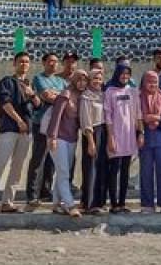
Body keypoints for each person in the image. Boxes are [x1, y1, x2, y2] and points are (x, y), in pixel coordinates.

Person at [0, 52, 39, 216]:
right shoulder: (6, 82)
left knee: (17, 169)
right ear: (15, 63)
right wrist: (18, 121)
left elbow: (38, 104)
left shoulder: (29, 85)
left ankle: (7, 203)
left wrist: (32, 94)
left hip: (26, 132)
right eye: (21, 62)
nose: (24, 64)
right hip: (9, 129)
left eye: (27, 62)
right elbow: (5, 103)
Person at [26, 52, 65, 210]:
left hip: (56, 124)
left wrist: (56, 95)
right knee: (38, 158)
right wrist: (57, 95)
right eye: (50, 61)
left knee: (52, 160)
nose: (53, 64)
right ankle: (32, 195)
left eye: (56, 62)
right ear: (44, 63)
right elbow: (47, 96)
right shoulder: (38, 79)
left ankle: (46, 191)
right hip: (40, 122)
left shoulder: (60, 80)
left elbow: (63, 97)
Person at [47, 69, 88, 218]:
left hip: (72, 139)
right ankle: (70, 204)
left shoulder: (81, 96)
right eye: (79, 79)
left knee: (62, 172)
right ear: (74, 80)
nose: (82, 83)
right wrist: (52, 137)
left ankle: (56, 204)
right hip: (59, 138)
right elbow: (56, 117)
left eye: (85, 80)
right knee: (64, 172)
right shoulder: (65, 94)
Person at [104, 61, 142, 213]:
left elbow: (138, 114)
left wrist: (140, 133)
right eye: (122, 73)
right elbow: (108, 116)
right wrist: (110, 137)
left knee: (125, 171)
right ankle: (113, 204)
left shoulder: (133, 92)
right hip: (116, 135)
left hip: (129, 136)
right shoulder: (110, 91)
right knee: (114, 171)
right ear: (117, 74)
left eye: (128, 74)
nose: (125, 76)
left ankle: (122, 202)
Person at [140, 70, 161, 213]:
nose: (152, 84)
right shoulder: (137, 98)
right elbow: (133, 116)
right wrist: (143, 119)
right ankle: (147, 204)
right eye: (149, 81)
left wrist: (156, 118)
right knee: (146, 172)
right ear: (144, 82)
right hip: (145, 140)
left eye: (155, 82)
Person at [79, 59, 108, 214]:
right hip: (92, 133)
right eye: (94, 78)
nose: (97, 81)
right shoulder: (86, 97)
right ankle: (88, 203)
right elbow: (86, 121)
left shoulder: (103, 95)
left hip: (104, 132)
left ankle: (99, 202)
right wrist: (90, 142)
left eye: (99, 78)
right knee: (90, 168)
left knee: (101, 168)